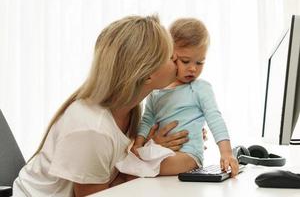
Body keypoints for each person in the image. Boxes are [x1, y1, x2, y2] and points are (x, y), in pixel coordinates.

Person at [13, 15, 190, 197]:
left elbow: (113, 169)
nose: (177, 58)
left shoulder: (129, 110)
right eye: (170, 56)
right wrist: (143, 164)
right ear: (147, 76)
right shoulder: (93, 128)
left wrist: (150, 150)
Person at [131, 18, 239, 176]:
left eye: (200, 62)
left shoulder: (200, 88)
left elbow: (215, 118)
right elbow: (147, 120)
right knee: (136, 163)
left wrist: (226, 153)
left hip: (188, 156)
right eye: (185, 61)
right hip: (159, 152)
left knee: (138, 168)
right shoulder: (156, 91)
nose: (193, 69)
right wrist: (138, 145)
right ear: (169, 55)